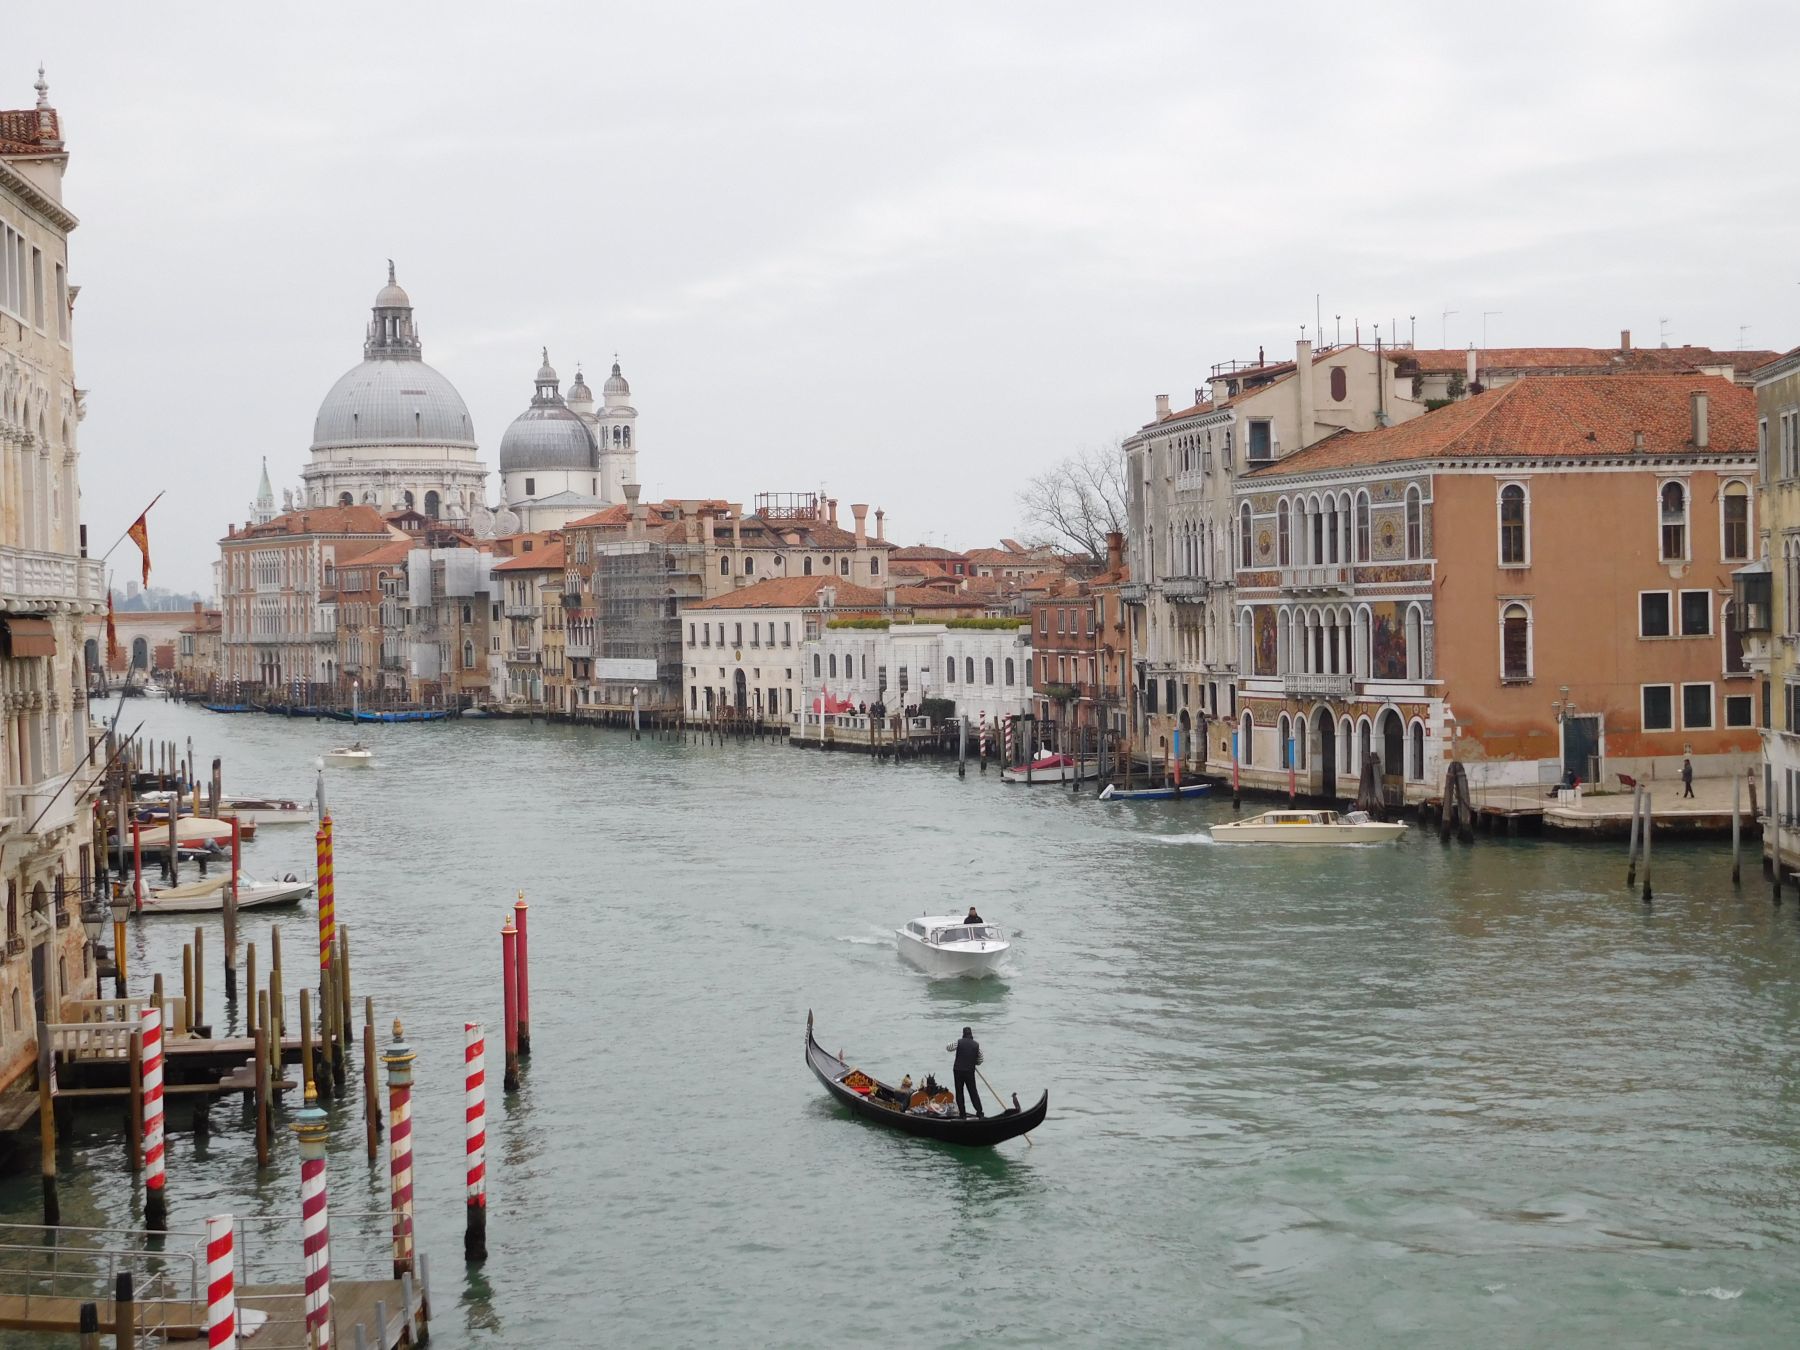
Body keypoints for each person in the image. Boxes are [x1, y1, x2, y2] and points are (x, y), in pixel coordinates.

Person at [945, 1025, 985, 1119]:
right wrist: (975, 1062)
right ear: (971, 1034)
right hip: (969, 1071)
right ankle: (979, 1113)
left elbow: (948, 1048)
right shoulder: (976, 1045)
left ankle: (962, 1115)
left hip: (958, 1071)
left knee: (959, 1092)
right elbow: (981, 1059)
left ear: (963, 1034)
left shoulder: (959, 1042)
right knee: (973, 1092)